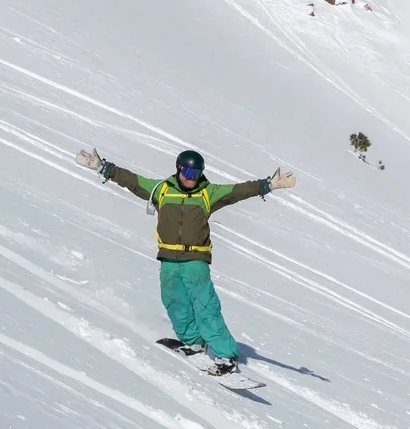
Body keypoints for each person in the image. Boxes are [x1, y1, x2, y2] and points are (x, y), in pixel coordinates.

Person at [75, 147, 296, 375]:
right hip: (168, 258)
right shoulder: (161, 190)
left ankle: (226, 355)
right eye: (188, 173)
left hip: (195, 260)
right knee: (174, 301)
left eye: (196, 174)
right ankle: (193, 341)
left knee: (205, 305)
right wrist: (102, 167)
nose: (192, 178)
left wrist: (269, 184)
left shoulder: (208, 193)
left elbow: (239, 191)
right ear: (179, 169)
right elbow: (132, 180)